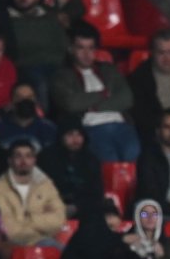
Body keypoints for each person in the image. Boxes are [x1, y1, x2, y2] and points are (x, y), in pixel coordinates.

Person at [52, 21, 139, 162]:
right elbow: (71, 103)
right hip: (91, 127)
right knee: (109, 159)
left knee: (132, 154)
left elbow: (127, 98)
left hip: (121, 124)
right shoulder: (63, 75)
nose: (87, 54)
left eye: (91, 48)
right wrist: (104, 94)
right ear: (71, 49)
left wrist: (93, 107)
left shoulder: (109, 70)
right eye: (81, 48)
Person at [0, 138, 66, 250]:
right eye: (18, 156)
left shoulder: (45, 184)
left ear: (34, 160)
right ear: (10, 160)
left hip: (46, 240)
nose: (24, 160)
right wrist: (41, 226)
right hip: (13, 247)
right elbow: (9, 229)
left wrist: (28, 220)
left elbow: (59, 220)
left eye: (28, 156)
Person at [7, 0, 67, 109]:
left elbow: (61, 45)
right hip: (25, 67)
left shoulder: (50, 18)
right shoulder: (8, 21)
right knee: (40, 84)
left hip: (53, 65)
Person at [37, 115, 101, 218]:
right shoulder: (46, 157)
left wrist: (77, 207)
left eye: (79, 135)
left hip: (83, 209)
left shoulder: (91, 160)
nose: (75, 139)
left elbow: (96, 193)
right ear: (62, 136)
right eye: (70, 135)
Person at [0, 82, 57, 151]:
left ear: (36, 101)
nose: (25, 101)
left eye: (29, 97)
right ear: (11, 102)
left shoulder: (49, 128)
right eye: (19, 98)